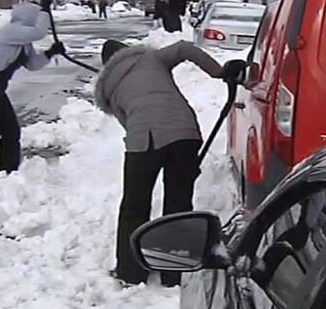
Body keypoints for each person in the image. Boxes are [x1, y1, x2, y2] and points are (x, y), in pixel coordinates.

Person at [94, 39, 247, 286]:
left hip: (143, 141)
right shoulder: (151, 58)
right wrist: (219, 72)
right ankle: (174, 271)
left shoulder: (108, 89)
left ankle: (130, 272)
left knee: (134, 207)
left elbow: (129, 124)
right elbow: (185, 48)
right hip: (185, 133)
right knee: (179, 202)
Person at [0, 0, 65, 203]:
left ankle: (8, 179)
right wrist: (45, 11)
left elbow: (33, 64)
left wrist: (50, 52)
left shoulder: (24, 42)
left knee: (11, 132)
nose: (38, 21)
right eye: (36, 17)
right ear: (29, 18)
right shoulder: (12, 31)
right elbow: (39, 31)